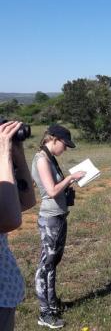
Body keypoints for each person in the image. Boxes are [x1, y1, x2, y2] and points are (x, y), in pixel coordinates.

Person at [32, 124, 85, 329]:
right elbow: (52, 191)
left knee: (53, 262)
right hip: (50, 219)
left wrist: (68, 183)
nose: (65, 149)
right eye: (64, 145)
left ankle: (52, 304)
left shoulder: (50, 158)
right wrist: (70, 178)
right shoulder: (42, 159)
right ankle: (44, 312)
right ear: (53, 139)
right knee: (45, 265)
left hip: (59, 216)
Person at [0, 120, 36, 331]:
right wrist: (4, 152)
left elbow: (27, 202)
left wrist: (17, 153)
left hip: (4, 291)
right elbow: (10, 220)